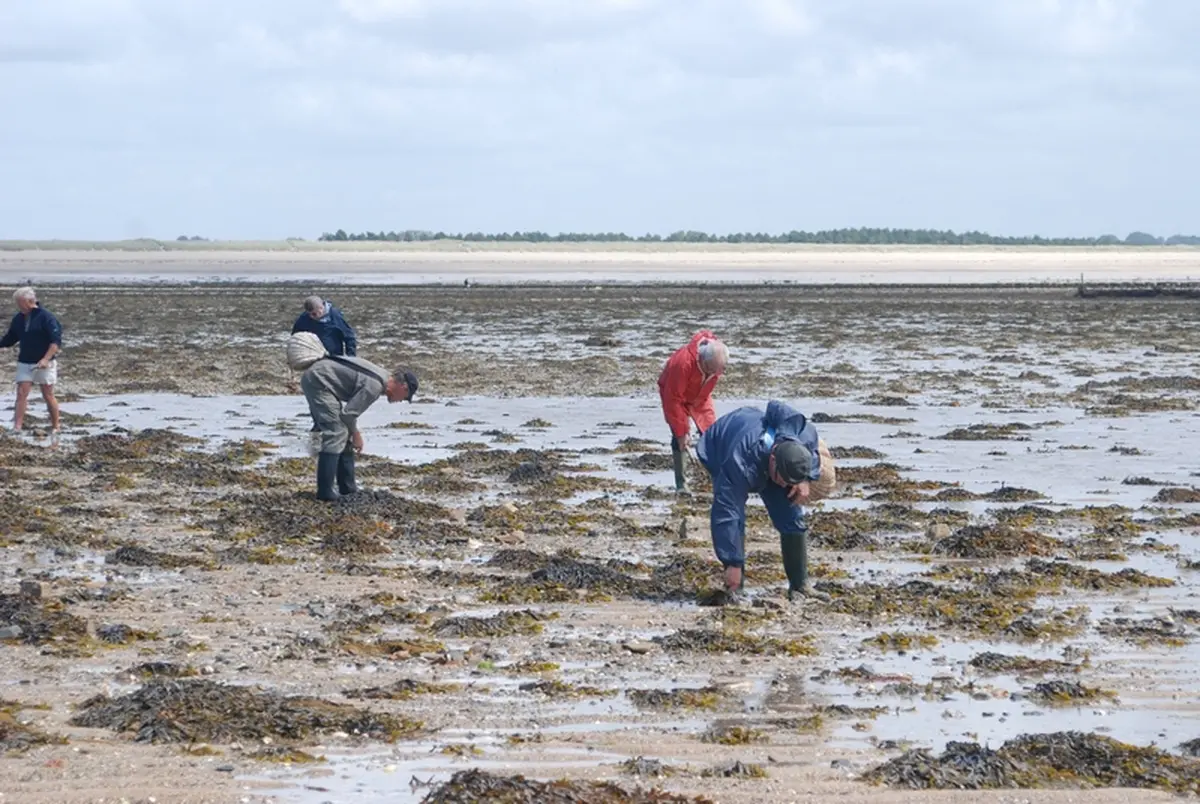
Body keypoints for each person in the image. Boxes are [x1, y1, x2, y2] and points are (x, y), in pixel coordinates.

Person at [695, 400, 831, 603]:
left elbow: (811, 450)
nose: (784, 483)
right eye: (782, 479)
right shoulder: (738, 462)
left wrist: (805, 478)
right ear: (774, 460)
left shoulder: (802, 435)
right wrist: (733, 561)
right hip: (721, 445)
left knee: (791, 514)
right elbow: (727, 512)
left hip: (769, 453)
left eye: (789, 480)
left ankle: (800, 585)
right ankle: (735, 585)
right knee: (734, 515)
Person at [300, 351, 418, 501]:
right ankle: (325, 492)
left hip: (320, 378)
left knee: (343, 430)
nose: (402, 400)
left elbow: (347, 415)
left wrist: (352, 431)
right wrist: (357, 435)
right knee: (336, 432)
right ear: (403, 387)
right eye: (405, 397)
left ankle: (347, 487)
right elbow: (348, 414)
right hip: (318, 382)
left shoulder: (381, 376)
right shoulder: (374, 387)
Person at [657, 331, 728, 492]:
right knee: (680, 437)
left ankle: (718, 477)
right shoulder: (682, 364)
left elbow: (705, 396)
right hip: (674, 395)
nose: (713, 374)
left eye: (716, 372)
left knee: (712, 435)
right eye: (710, 370)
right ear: (703, 360)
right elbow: (673, 400)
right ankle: (681, 484)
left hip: (701, 397)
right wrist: (682, 432)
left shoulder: (715, 363)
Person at [0, 287, 63, 434]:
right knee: (21, 393)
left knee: (48, 394)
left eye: (19, 302)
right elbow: (10, 338)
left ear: (29, 301)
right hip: (25, 361)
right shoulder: (19, 318)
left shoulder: (46, 317)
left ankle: (56, 426)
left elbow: (55, 342)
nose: (18, 306)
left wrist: (46, 359)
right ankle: (17, 427)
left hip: (44, 362)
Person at [292, 296, 357, 357]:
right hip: (312, 358)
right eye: (309, 314)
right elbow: (295, 337)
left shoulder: (335, 316)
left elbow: (349, 337)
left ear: (321, 307)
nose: (312, 317)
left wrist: (350, 357)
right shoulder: (304, 318)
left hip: (334, 357)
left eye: (314, 314)